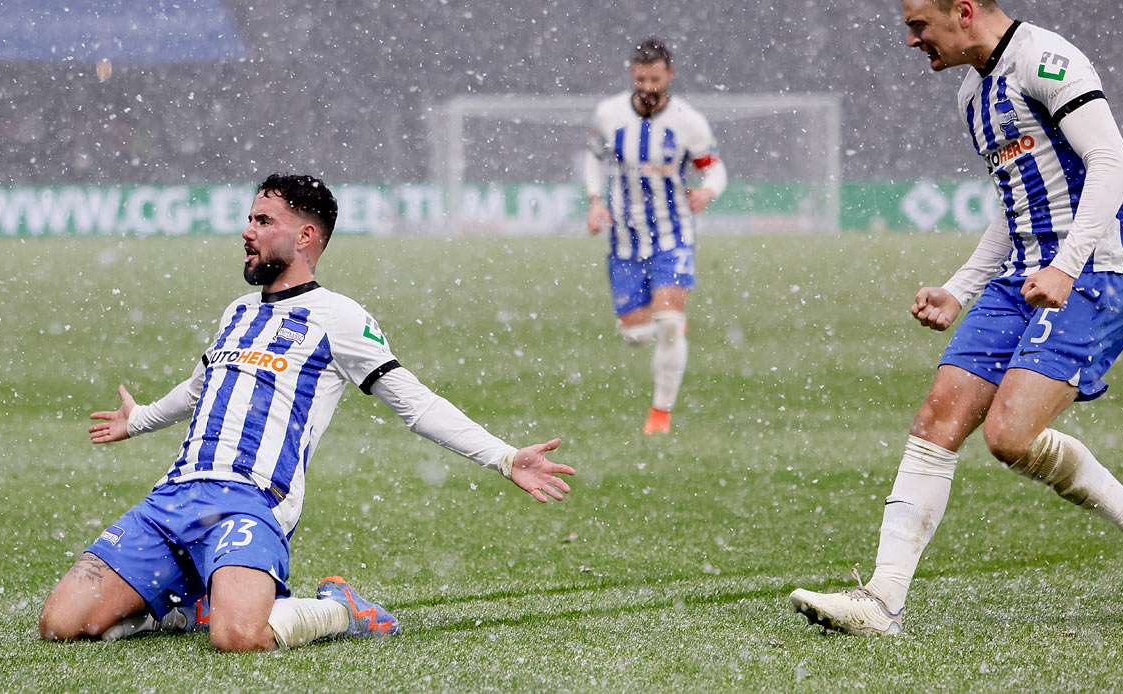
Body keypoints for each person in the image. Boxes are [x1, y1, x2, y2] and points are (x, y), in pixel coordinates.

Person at [38, 173, 575, 651]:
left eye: (263, 220)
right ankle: (194, 601)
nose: (247, 230)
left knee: (238, 638)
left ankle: (340, 609)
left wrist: (505, 458)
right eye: (249, 218)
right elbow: (201, 386)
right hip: (176, 497)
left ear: (305, 237)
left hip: (252, 503)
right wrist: (142, 419)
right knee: (61, 624)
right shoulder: (238, 312)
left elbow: (415, 403)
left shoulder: (338, 317)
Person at [789, 0, 1123, 636]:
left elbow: (1115, 162)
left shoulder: (1047, 62)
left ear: (965, 11)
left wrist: (1066, 264)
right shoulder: (974, 96)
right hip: (1022, 275)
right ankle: (882, 602)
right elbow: (1014, 206)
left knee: (1008, 437)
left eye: (919, 26)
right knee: (938, 416)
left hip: (1097, 271)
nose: (912, 41)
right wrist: (958, 288)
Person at [583, 37, 728, 435]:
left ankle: (660, 415)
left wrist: (707, 191)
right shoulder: (609, 115)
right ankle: (666, 324)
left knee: (667, 323)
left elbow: (715, 168)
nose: (647, 87)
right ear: (633, 75)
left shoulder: (688, 122)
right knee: (635, 335)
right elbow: (593, 159)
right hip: (625, 239)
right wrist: (596, 202)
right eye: (641, 78)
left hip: (672, 234)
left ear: (669, 76)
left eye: (655, 79)